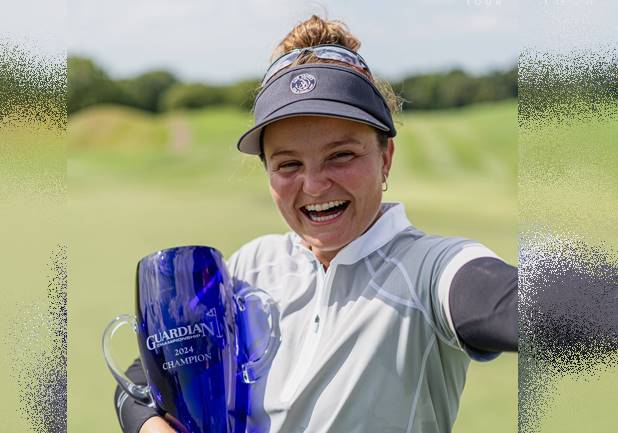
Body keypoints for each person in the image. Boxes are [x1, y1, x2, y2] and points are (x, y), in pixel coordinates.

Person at [113, 15, 517, 433]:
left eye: (341, 155)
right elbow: (144, 378)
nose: (315, 184)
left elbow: (504, 299)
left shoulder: (428, 268)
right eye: (288, 164)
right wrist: (148, 426)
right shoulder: (252, 266)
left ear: (385, 157)